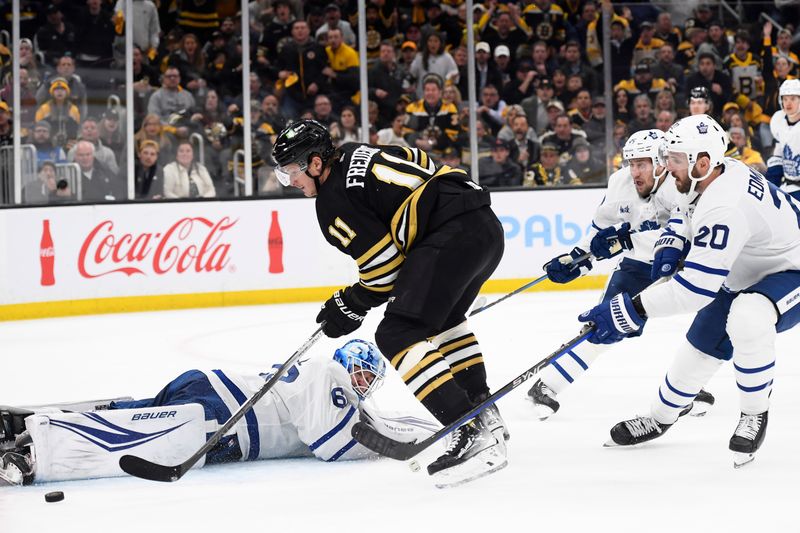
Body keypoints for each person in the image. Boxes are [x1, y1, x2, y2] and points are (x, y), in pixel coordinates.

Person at [271, 120, 508, 487]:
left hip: (451, 236)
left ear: (316, 164)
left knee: (398, 333)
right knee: (444, 319)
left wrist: (349, 303)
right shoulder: (354, 150)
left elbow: (384, 273)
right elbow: (418, 158)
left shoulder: (331, 202)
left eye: (292, 171)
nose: (290, 181)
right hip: (484, 225)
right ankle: (483, 411)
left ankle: (469, 427)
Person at [581, 114, 800, 468]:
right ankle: (662, 416)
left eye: (674, 160)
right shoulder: (714, 171)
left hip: (792, 268)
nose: (666, 167)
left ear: (701, 162)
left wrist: (627, 309)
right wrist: (673, 239)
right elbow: (684, 211)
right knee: (700, 345)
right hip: (744, 269)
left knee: (748, 317)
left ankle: (754, 413)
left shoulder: (723, 207)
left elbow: (695, 289)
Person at [0, 340, 430, 486]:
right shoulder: (330, 375)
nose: (360, 382)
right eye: (361, 372)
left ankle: (33, 421)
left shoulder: (326, 377)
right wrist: (380, 447)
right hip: (224, 416)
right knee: (140, 438)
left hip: (213, 390)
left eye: (365, 377)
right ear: (348, 364)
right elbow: (333, 446)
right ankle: (34, 450)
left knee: (138, 414)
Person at [528, 130, 713, 418]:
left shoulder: (681, 183)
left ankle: (685, 388)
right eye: (631, 164)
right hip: (638, 265)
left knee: (712, 320)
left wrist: (625, 240)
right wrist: (577, 259)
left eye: (642, 164)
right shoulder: (620, 182)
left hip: (683, 264)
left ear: (661, 162)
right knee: (605, 323)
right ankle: (548, 384)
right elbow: (600, 229)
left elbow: (684, 233)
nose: (635, 172)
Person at [766, 79, 800, 200]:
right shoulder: (779, 121)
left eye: (792, 99)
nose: (788, 103)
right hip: (786, 186)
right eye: (785, 99)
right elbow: (778, 154)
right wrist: (770, 185)